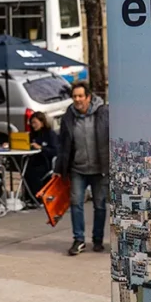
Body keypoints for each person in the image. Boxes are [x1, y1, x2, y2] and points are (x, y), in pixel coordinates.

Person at [55, 81, 110, 256]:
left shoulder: (103, 113)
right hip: (77, 168)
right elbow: (63, 144)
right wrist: (60, 168)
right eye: (74, 96)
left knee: (100, 205)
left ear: (88, 97)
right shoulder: (68, 117)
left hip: (99, 168)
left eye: (80, 96)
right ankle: (78, 239)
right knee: (76, 203)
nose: (77, 100)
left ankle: (98, 240)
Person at [24, 112, 59, 209]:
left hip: (46, 161)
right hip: (33, 160)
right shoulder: (32, 135)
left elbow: (55, 150)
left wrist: (42, 148)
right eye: (31, 123)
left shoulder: (50, 134)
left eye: (35, 123)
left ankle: (37, 198)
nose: (33, 125)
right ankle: (28, 197)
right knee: (25, 170)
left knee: (33, 173)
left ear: (42, 122)